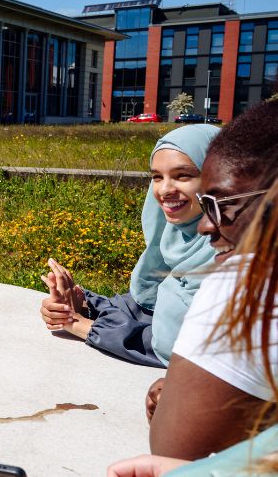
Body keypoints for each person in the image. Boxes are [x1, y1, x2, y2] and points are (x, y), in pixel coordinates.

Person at [147, 101, 278, 461]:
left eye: (222, 203)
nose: (207, 224)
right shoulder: (171, 248)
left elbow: (174, 455)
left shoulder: (247, 284)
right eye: (155, 177)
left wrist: (181, 390)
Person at [40, 125, 220, 368]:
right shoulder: (178, 238)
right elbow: (147, 307)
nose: (165, 190)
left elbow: (178, 346)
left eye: (183, 175)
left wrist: (83, 327)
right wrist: (83, 305)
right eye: (157, 177)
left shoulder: (230, 253)